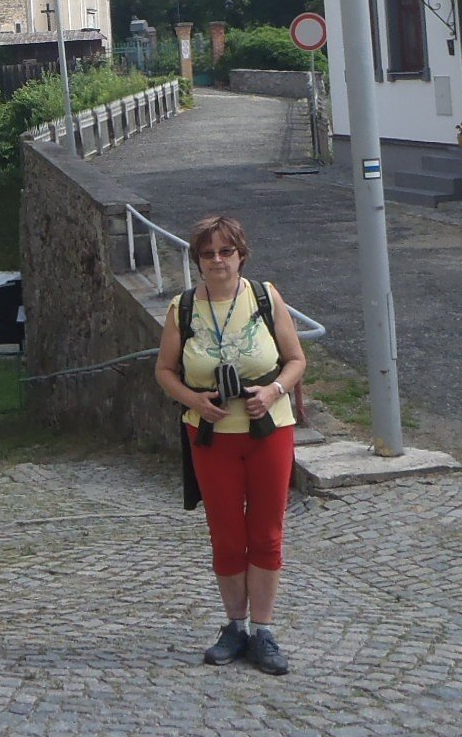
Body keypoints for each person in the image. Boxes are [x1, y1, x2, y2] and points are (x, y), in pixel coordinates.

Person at [155, 212, 307, 675]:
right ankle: (234, 627)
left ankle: (263, 631)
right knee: (226, 534)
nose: (218, 260)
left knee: (266, 532)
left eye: (226, 251)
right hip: (211, 436)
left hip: (269, 432)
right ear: (197, 261)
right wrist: (194, 401)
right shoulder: (182, 308)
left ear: (241, 254)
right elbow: (164, 371)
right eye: (208, 253)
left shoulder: (265, 297)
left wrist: (274, 391)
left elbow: (297, 360)